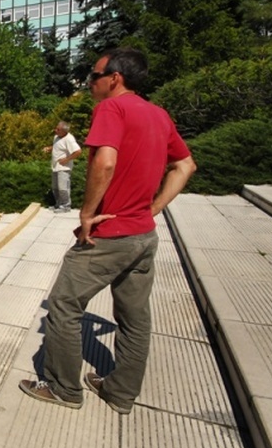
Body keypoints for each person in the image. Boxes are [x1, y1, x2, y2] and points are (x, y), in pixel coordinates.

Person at [19, 47, 196, 414]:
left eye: (94, 76)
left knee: (65, 306)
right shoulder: (159, 115)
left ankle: (62, 388)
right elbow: (185, 165)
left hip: (109, 236)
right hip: (143, 238)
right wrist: (154, 209)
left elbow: (106, 160)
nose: (90, 83)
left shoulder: (111, 108)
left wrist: (87, 214)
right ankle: (119, 392)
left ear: (115, 78)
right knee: (134, 317)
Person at [43, 121, 81, 212]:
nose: (55, 130)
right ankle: (59, 204)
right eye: (56, 128)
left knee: (63, 188)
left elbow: (78, 151)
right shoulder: (56, 137)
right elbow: (58, 146)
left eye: (58, 129)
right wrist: (49, 148)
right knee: (55, 187)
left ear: (64, 131)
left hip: (64, 168)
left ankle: (66, 206)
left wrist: (67, 159)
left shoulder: (69, 139)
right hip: (55, 166)